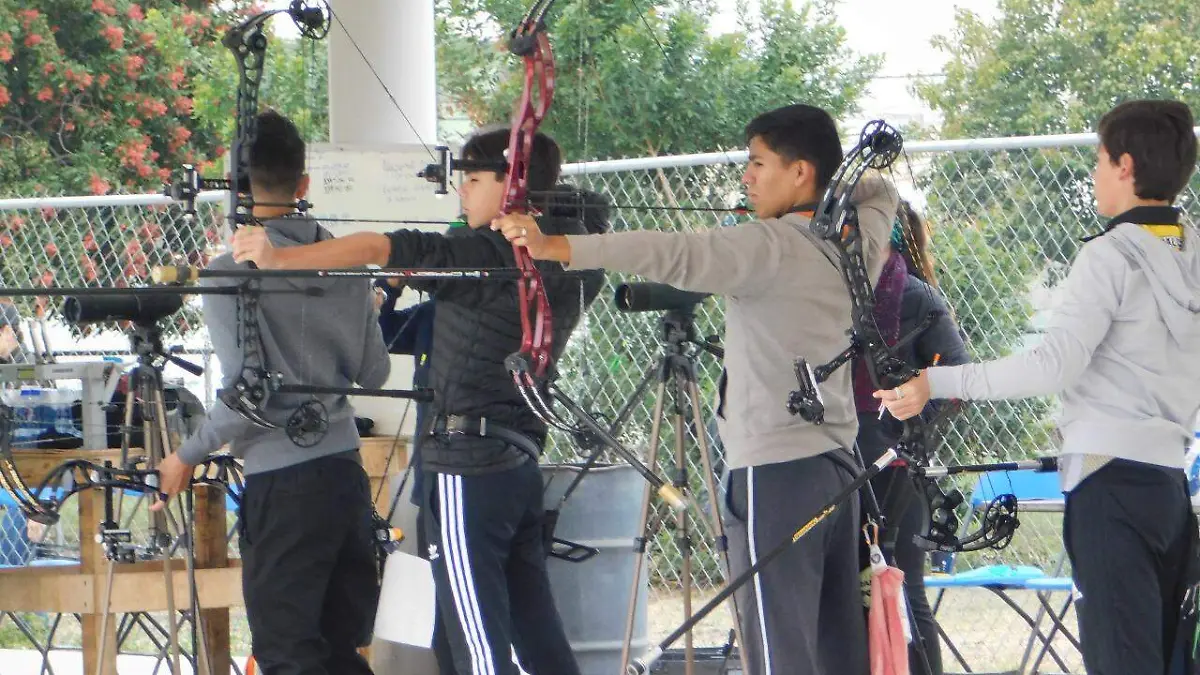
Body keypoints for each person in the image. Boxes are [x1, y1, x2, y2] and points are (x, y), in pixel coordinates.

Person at [494, 103, 899, 675]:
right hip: (839, 473)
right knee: (837, 651)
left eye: (759, 163)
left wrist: (554, 245)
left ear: (801, 171)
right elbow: (879, 192)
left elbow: (670, 252)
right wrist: (840, 183)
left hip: (775, 477)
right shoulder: (857, 243)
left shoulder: (769, 245)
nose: (747, 177)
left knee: (779, 653)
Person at [231, 125, 609, 675]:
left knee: (476, 641)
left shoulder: (490, 254)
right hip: (517, 459)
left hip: (468, 465)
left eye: (474, 180)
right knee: (535, 626)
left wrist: (283, 257)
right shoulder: (571, 256)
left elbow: (386, 245)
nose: (462, 193)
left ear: (513, 187)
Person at [876, 99, 1200, 675]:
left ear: (1125, 166)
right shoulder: (1193, 255)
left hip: (1109, 485)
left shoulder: (1109, 257)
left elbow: (1051, 365)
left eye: (1100, 160)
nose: (1094, 174)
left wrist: (937, 380)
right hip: (1170, 490)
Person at [155, 110, 392, 675]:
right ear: (303, 185)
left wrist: (185, 456)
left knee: (287, 651)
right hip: (343, 475)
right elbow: (374, 373)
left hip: (283, 485)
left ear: (232, 189)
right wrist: (367, 310)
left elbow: (246, 395)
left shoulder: (227, 273)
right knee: (341, 645)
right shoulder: (347, 264)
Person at [853, 200, 970, 675]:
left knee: (904, 585)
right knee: (864, 587)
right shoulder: (845, 289)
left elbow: (958, 376)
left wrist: (908, 423)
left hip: (898, 467)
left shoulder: (916, 296)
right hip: (851, 458)